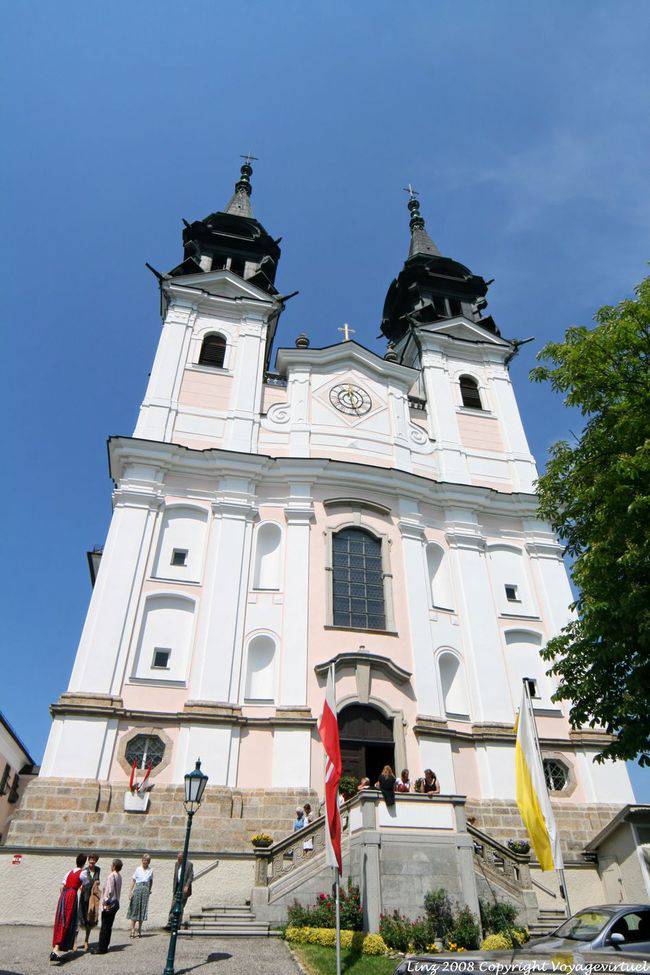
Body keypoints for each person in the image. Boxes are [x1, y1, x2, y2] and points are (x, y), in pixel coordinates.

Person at [50, 853, 87, 963]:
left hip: (64, 896)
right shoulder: (83, 873)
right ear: (84, 863)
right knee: (67, 920)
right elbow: (85, 887)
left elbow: (61, 887)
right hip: (71, 896)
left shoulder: (69, 872)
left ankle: (56, 948)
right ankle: (56, 949)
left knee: (61, 919)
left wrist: (64, 896)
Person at [94, 859, 123, 955]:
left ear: (114, 866)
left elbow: (109, 891)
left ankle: (101, 948)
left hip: (109, 904)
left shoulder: (111, 876)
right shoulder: (119, 876)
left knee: (104, 926)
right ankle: (105, 946)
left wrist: (105, 902)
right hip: (115, 903)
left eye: (112, 865)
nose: (111, 866)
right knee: (109, 926)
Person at [127, 853, 154, 938]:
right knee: (134, 909)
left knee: (142, 910)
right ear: (142, 860)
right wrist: (130, 892)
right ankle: (132, 930)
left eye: (147, 860)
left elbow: (151, 881)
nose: (145, 862)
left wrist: (149, 889)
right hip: (137, 889)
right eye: (144, 860)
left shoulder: (150, 870)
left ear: (149, 862)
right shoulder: (138, 869)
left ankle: (139, 930)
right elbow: (133, 881)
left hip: (145, 890)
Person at [165, 851, 194, 929]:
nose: (178, 860)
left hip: (184, 888)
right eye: (178, 858)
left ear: (183, 858)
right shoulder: (177, 864)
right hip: (177, 887)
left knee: (180, 906)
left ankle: (178, 924)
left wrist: (187, 886)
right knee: (173, 905)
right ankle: (170, 922)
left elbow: (190, 876)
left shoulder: (189, 864)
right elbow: (175, 876)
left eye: (180, 858)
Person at [78, 854, 101, 952]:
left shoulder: (98, 869)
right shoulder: (84, 870)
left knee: (90, 919)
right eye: (91, 859)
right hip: (84, 896)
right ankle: (74, 942)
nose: (92, 861)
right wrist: (81, 888)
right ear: (88, 860)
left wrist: (97, 882)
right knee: (80, 918)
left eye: (94, 860)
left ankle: (86, 941)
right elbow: (79, 882)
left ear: (96, 861)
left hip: (92, 897)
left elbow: (97, 880)